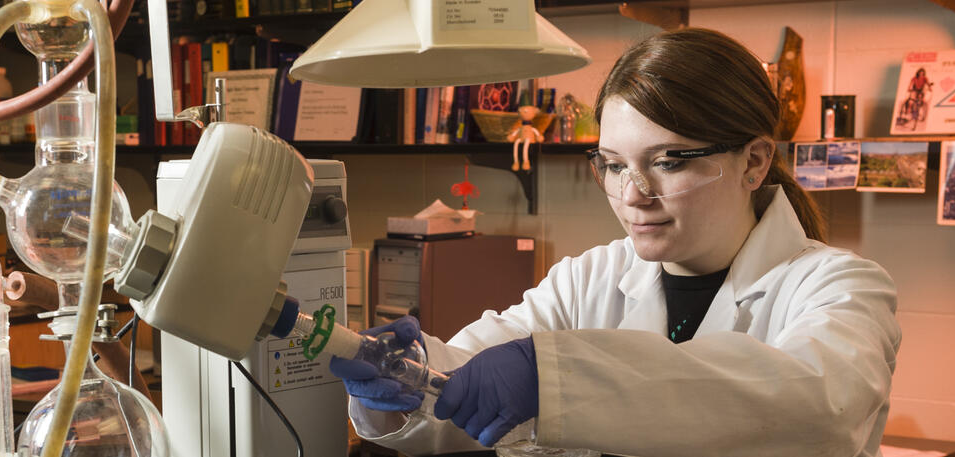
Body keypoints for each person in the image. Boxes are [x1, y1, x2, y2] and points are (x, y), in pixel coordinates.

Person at [331, 28, 902, 456]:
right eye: (612, 164)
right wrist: (407, 374)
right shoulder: (588, 279)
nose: (633, 194)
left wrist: (555, 378)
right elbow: (465, 382)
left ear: (754, 161)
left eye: (668, 162)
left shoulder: (839, 287)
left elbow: (820, 406)